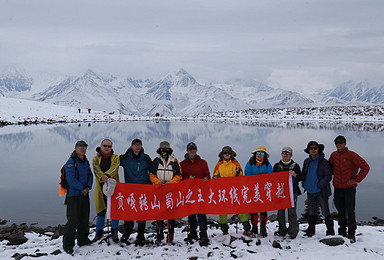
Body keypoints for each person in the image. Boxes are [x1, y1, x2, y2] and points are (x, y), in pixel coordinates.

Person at [329, 135, 370, 242]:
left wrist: (356, 179)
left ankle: (351, 233)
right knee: (341, 212)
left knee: (350, 211)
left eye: (340, 142)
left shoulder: (352, 155)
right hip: (338, 188)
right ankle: (342, 231)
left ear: (345, 143)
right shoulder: (333, 155)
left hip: (349, 189)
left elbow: (365, 167)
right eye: (336, 143)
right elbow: (328, 167)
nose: (338, 145)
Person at [213, 146, 253, 237]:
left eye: (229, 153)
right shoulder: (219, 164)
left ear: (231, 154)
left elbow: (241, 176)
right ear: (222, 155)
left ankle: (247, 229)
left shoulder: (236, 163)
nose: (227, 154)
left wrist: (238, 173)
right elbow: (215, 175)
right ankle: (224, 230)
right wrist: (215, 178)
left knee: (242, 209)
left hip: (235, 190)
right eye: (225, 153)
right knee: (223, 211)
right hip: (223, 191)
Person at [62, 140, 93, 255]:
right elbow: (71, 179)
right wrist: (82, 188)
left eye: (85, 147)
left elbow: (90, 175)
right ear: (75, 148)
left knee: (84, 219)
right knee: (73, 220)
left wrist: (89, 186)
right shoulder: (71, 162)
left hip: (84, 194)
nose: (83, 148)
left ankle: (83, 239)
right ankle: (68, 245)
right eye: (81, 146)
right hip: (74, 196)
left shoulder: (86, 161)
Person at [119, 138, 152, 245]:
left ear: (141, 147)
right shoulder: (125, 158)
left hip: (144, 189)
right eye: (135, 145)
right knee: (129, 212)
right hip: (130, 190)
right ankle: (127, 233)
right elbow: (112, 163)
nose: (137, 147)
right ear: (131, 146)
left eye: (139, 145)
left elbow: (152, 172)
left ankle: (141, 235)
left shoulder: (146, 158)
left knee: (142, 212)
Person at [150, 141, 182, 244]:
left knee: (171, 214)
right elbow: (151, 175)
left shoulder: (174, 161)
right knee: (159, 213)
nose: (164, 151)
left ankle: (170, 236)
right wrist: (158, 182)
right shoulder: (156, 161)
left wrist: (170, 182)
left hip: (171, 190)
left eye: (166, 149)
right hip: (159, 190)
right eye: (162, 149)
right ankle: (159, 236)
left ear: (169, 150)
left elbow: (179, 175)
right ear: (160, 150)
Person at [302, 141, 334, 237]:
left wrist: (320, 185)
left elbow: (328, 176)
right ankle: (311, 231)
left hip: (321, 191)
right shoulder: (306, 161)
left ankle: (330, 231)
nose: (313, 150)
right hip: (310, 191)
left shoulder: (324, 162)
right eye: (311, 148)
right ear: (308, 150)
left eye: (315, 148)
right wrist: (304, 184)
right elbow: (304, 173)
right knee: (312, 211)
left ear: (318, 149)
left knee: (325, 211)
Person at [180, 142, 210, 245]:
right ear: (187, 151)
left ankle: (203, 233)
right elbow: (180, 178)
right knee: (191, 214)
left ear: (196, 150)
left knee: (201, 214)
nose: (192, 150)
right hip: (189, 193)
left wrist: (206, 179)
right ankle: (193, 233)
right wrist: (187, 179)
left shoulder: (203, 162)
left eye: (193, 149)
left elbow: (207, 175)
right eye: (190, 149)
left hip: (200, 192)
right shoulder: (182, 164)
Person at [92, 139, 120, 243]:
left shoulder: (115, 157)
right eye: (105, 146)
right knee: (101, 211)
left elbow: (115, 168)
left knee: (114, 211)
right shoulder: (95, 158)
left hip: (114, 188)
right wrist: (102, 177)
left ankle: (115, 233)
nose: (107, 148)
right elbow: (96, 170)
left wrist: (107, 175)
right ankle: (98, 234)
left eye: (109, 146)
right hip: (100, 188)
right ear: (101, 146)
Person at [273, 146, 302, 239]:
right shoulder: (277, 166)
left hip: (292, 192)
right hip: (280, 193)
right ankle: (282, 231)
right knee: (280, 213)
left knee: (292, 212)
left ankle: (293, 231)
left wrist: (295, 175)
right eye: (284, 153)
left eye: (288, 153)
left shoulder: (295, 166)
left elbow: (300, 178)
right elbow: (272, 179)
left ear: (291, 155)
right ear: (281, 154)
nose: (286, 155)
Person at [244, 145, 273, 238]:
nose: (260, 155)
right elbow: (247, 174)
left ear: (265, 155)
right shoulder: (250, 163)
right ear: (255, 154)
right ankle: (255, 226)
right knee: (254, 210)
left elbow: (270, 176)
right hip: (253, 190)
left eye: (262, 153)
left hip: (264, 190)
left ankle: (263, 227)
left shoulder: (268, 164)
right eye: (258, 153)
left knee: (264, 210)